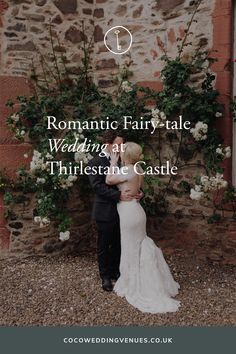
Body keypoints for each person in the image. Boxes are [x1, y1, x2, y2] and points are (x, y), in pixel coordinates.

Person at [105, 142, 181, 313]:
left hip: (128, 213)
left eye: (122, 152)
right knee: (140, 244)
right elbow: (138, 190)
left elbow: (109, 180)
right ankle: (149, 279)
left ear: (125, 155)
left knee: (130, 247)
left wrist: (112, 162)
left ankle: (133, 282)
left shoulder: (126, 170)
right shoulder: (139, 170)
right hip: (137, 210)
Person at [88, 131, 142, 292]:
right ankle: (105, 276)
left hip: (125, 212)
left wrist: (139, 192)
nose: (121, 148)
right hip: (105, 210)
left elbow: (131, 178)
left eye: (122, 145)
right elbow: (97, 186)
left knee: (120, 243)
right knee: (104, 244)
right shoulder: (95, 162)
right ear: (108, 144)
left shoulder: (123, 160)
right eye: (118, 145)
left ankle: (117, 272)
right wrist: (118, 195)